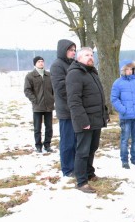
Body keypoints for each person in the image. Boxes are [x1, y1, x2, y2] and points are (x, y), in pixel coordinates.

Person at [66, 47, 109, 193]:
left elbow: (99, 96)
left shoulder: (92, 72)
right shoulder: (75, 74)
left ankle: (89, 173)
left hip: (96, 118)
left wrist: (104, 113)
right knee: (82, 151)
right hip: (85, 120)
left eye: (91, 54)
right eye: (86, 55)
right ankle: (81, 181)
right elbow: (74, 101)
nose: (90, 57)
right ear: (78, 58)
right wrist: (83, 121)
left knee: (92, 148)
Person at [111, 59, 135, 169]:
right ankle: (124, 161)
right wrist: (123, 109)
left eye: (131, 68)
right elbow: (114, 99)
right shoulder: (118, 83)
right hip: (126, 117)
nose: (129, 71)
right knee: (125, 139)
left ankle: (134, 159)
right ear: (123, 70)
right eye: (127, 69)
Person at [50, 39, 77, 177]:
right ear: (63, 50)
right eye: (70, 50)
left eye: (74, 50)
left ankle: (76, 166)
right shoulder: (57, 66)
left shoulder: (73, 64)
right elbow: (61, 88)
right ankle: (67, 169)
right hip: (66, 110)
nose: (73, 52)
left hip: (76, 109)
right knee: (68, 141)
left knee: (77, 141)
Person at [24, 56, 55, 153]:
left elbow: (54, 89)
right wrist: (34, 100)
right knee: (37, 128)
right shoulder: (30, 76)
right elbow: (27, 90)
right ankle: (38, 146)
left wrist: (52, 99)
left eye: (42, 61)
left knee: (49, 127)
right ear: (35, 63)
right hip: (37, 106)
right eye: (39, 61)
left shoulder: (49, 75)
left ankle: (47, 145)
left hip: (48, 106)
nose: (41, 63)